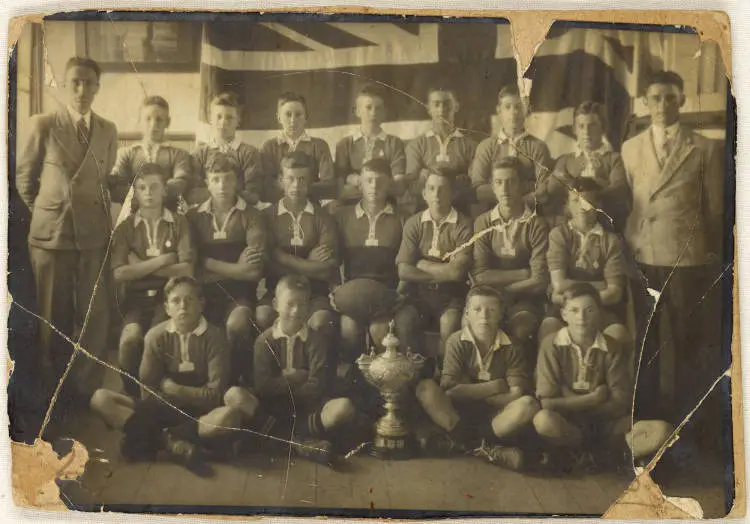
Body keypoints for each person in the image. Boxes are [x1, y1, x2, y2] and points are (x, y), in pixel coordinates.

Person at [621, 71, 725, 422]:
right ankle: (646, 419)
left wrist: (711, 254)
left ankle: (685, 423)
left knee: (684, 341)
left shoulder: (705, 148)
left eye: (669, 97)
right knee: (646, 341)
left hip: (686, 257)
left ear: (681, 100)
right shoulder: (630, 148)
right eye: (655, 98)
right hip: (644, 255)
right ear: (645, 103)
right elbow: (629, 201)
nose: (662, 106)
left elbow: (714, 208)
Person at [16, 56, 118, 407]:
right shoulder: (43, 124)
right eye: (75, 82)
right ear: (64, 84)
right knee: (51, 317)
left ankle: (84, 391)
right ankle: (50, 397)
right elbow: (25, 181)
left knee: (94, 315)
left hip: (92, 237)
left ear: (97, 88)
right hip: (52, 237)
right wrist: (51, 214)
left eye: (89, 83)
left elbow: (102, 181)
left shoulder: (107, 130)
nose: (81, 90)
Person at [89, 276, 232, 476]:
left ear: (201, 304)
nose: (183, 306)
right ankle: (168, 443)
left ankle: (154, 439)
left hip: (197, 414)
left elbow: (214, 395)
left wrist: (176, 390)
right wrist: (167, 400)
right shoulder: (155, 336)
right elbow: (147, 392)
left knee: (226, 417)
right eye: (176, 301)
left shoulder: (215, 337)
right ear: (167, 308)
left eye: (190, 300)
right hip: (162, 409)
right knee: (100, 399)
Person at [533, 283, 673, 471]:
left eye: (589, 310)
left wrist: (568, 398)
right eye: (574, 310)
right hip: (568, 424)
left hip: (606, 424)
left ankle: (590, 457)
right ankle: (607, 457)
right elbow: (548, 403)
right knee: (543, 420)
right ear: (564, 315)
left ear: (599, 314)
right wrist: (594, 398)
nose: (581, 318)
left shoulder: (611, 346)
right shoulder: (551, 345)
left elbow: (620, 402)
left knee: (662, 431)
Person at [221, 275, 357, 464]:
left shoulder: (315, 340)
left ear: (309, 307)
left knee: (343, 407)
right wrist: (298, 377)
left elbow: (316, 385)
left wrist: (283, 385)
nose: (296, 311)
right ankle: (300, 442)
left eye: (302, 305)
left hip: (305, 409)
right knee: (233, 395)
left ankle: (278, 439)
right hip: (271, 409)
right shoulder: (264, 341)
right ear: (276, 304)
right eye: (290, 304)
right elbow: (263, 387)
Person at [415, 286, 539, 470]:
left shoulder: (513, 346)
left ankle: (462, 444)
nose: (484, 316)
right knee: (425, 388)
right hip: (458, 413)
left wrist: (471, 391)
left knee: (529, 404)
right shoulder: (456, 341)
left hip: (495, 415)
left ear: (501, 314)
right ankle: (486, 449)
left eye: (492, 310)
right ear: (466, 313)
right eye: (477, 309)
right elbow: (451, 390)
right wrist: (496, 385)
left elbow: (516, 394)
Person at [111, 164, 194, 398]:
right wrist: (165, 260)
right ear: (135, 193)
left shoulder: (179, 223)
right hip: (135, 302)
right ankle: (132, 396)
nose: (148, 193)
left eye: (154, 187)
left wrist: (138, 265)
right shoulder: (126, 228)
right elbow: (118, 273)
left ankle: (155, 396)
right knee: (130, 339)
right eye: (142, 188)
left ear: (164, 191)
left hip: (167, 299)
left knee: (153, 339)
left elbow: (187, 267)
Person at [186, 153, 266, 383]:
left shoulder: (252, 215)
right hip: (203, 294)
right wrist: (235, 266)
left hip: (239, 294)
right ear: (207, 183)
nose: (223, 186)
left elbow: (253, 272)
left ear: (238, 182)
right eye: (216, 179)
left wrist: (209, 263)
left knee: (237, 323)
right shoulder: (193, 216)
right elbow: (193, 268)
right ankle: (204, 383)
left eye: (228, 179)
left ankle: (232, 381)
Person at [333, 158, 420, 361]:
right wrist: (335, 290)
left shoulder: (403, 217)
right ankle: (354, 383)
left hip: (387, 295)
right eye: (369, 180)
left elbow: (409, 261)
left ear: (389, 184)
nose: (374, 187)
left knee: (380, 330)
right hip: (354, 293)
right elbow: (332, 260)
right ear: (360, 184)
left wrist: (399, 294)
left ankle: (384, 384)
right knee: (348, 329)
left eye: (380, 181)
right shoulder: (342, 217)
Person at [255, 151, 339, 338]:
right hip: (276, 288)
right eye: (290, 179)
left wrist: (283, 257)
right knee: (262, 315)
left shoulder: (323, 217)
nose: (296, 185)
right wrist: (309, 262)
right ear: (280, 180)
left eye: (302, 179)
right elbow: (267, 264)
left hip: (314, 292)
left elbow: (327, 269)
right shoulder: (267, 216)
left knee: (321, 321)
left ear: (310, 182)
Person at [538, 178, 630, 348]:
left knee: (617, 334)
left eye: (588, 201)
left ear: (598, 204)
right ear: (567, 205)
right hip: (564, 307)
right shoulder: (559, 235)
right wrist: (599, 284)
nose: (582, 207)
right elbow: (558, 285)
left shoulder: (611, 240)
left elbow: (615, 292)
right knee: (549, 329)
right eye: (575, 201)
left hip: (601, 307)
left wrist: (583, 303)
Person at [471, 157, 549, 350]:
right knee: (473, 329)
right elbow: (480, 274)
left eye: (511, 182)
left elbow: (538, 281)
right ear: (492, 187)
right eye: (498, 183)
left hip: (525, 299)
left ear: (522, 186)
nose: (505, 189)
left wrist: (505, 290)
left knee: (519, 331)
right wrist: (523, 273)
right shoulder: (483, 222)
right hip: (490, 298)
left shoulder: (536, 224)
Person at [396, 167, 473, 357]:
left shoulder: (464, 224)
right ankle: (414, 375)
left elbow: (457, 273)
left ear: (452, 193)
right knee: (403, 322)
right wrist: (442, 270)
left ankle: (443, 375)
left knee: (450, 325)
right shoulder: (414, 223)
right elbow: (404, 271)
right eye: (431, 189)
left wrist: (422, 264)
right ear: (424, 193)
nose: (436, 194)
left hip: (451, 297)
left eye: (442, 189)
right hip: (419, 295)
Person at [541, 101, 629, 229]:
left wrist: (576, 186)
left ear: (603, 128)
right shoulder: (565, 160)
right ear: (574, 130)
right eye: (581, 126)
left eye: (592, 126)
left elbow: (618, 190)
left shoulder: (613, 159)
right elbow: (553, 190)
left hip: (605, 226)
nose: (586, 132)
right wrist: (601, 183)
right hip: (571, 226)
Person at [470, 84, 552, 214]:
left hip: (529, 214)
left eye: (519, 107)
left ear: (527, 110)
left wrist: (512, 200)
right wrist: (526, 188)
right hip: (492, 214)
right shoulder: (486, 146)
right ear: (499, 110)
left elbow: (542, 191)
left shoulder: (538, 147)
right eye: (507, 107)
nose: (514, 113)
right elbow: (479, 190)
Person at [109, 95, 193, 213]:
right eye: (148, 119)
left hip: (168, 216)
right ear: (139, 120)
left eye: (159, 119)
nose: (153, 124)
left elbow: (180, 182)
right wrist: (143, 196)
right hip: (133, 216)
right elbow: (117, 186)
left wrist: (149, 195)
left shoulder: (178, 154)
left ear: (168, 122)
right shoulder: (126, 153)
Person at [405, 87, 477, 212]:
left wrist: (428, 176)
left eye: (447, 104)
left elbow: (475, 186)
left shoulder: (471, 146)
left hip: (460, 211)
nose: (442, 109)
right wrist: (457, 179)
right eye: (436, 104)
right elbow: (411, 187)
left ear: (456, 106)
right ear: (428, 108)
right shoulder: (416, 145)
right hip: (424, 212)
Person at [334, 84, 406, 203]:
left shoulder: (394, 143)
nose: (373, 113)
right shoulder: (345, 144)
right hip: (351, 208)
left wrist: (357, 181)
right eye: (368, 107)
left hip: (386, 207)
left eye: (378, 108)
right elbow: (341, 190)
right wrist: (382, 184)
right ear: (357, 111)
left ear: (385, 112)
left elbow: (399, 187)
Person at [260, 92, 336, 204]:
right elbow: (267, 185)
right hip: (278, 207)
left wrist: (294, 188)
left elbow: (328, 183)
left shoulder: (319, 145)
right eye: (288, 114)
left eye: (298, 114)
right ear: (279, 117)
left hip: (312, 205)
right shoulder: (269, 147)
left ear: (306, 117)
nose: (292, 120)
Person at [190, 92, 263, 206]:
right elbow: (194, 194)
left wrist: (218, 193)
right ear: (210, 119)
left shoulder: (249, 153)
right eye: (218, 117)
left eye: (229, 117)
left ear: (238, 120)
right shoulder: (199, 154)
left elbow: (252, 195)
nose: (223, 122)